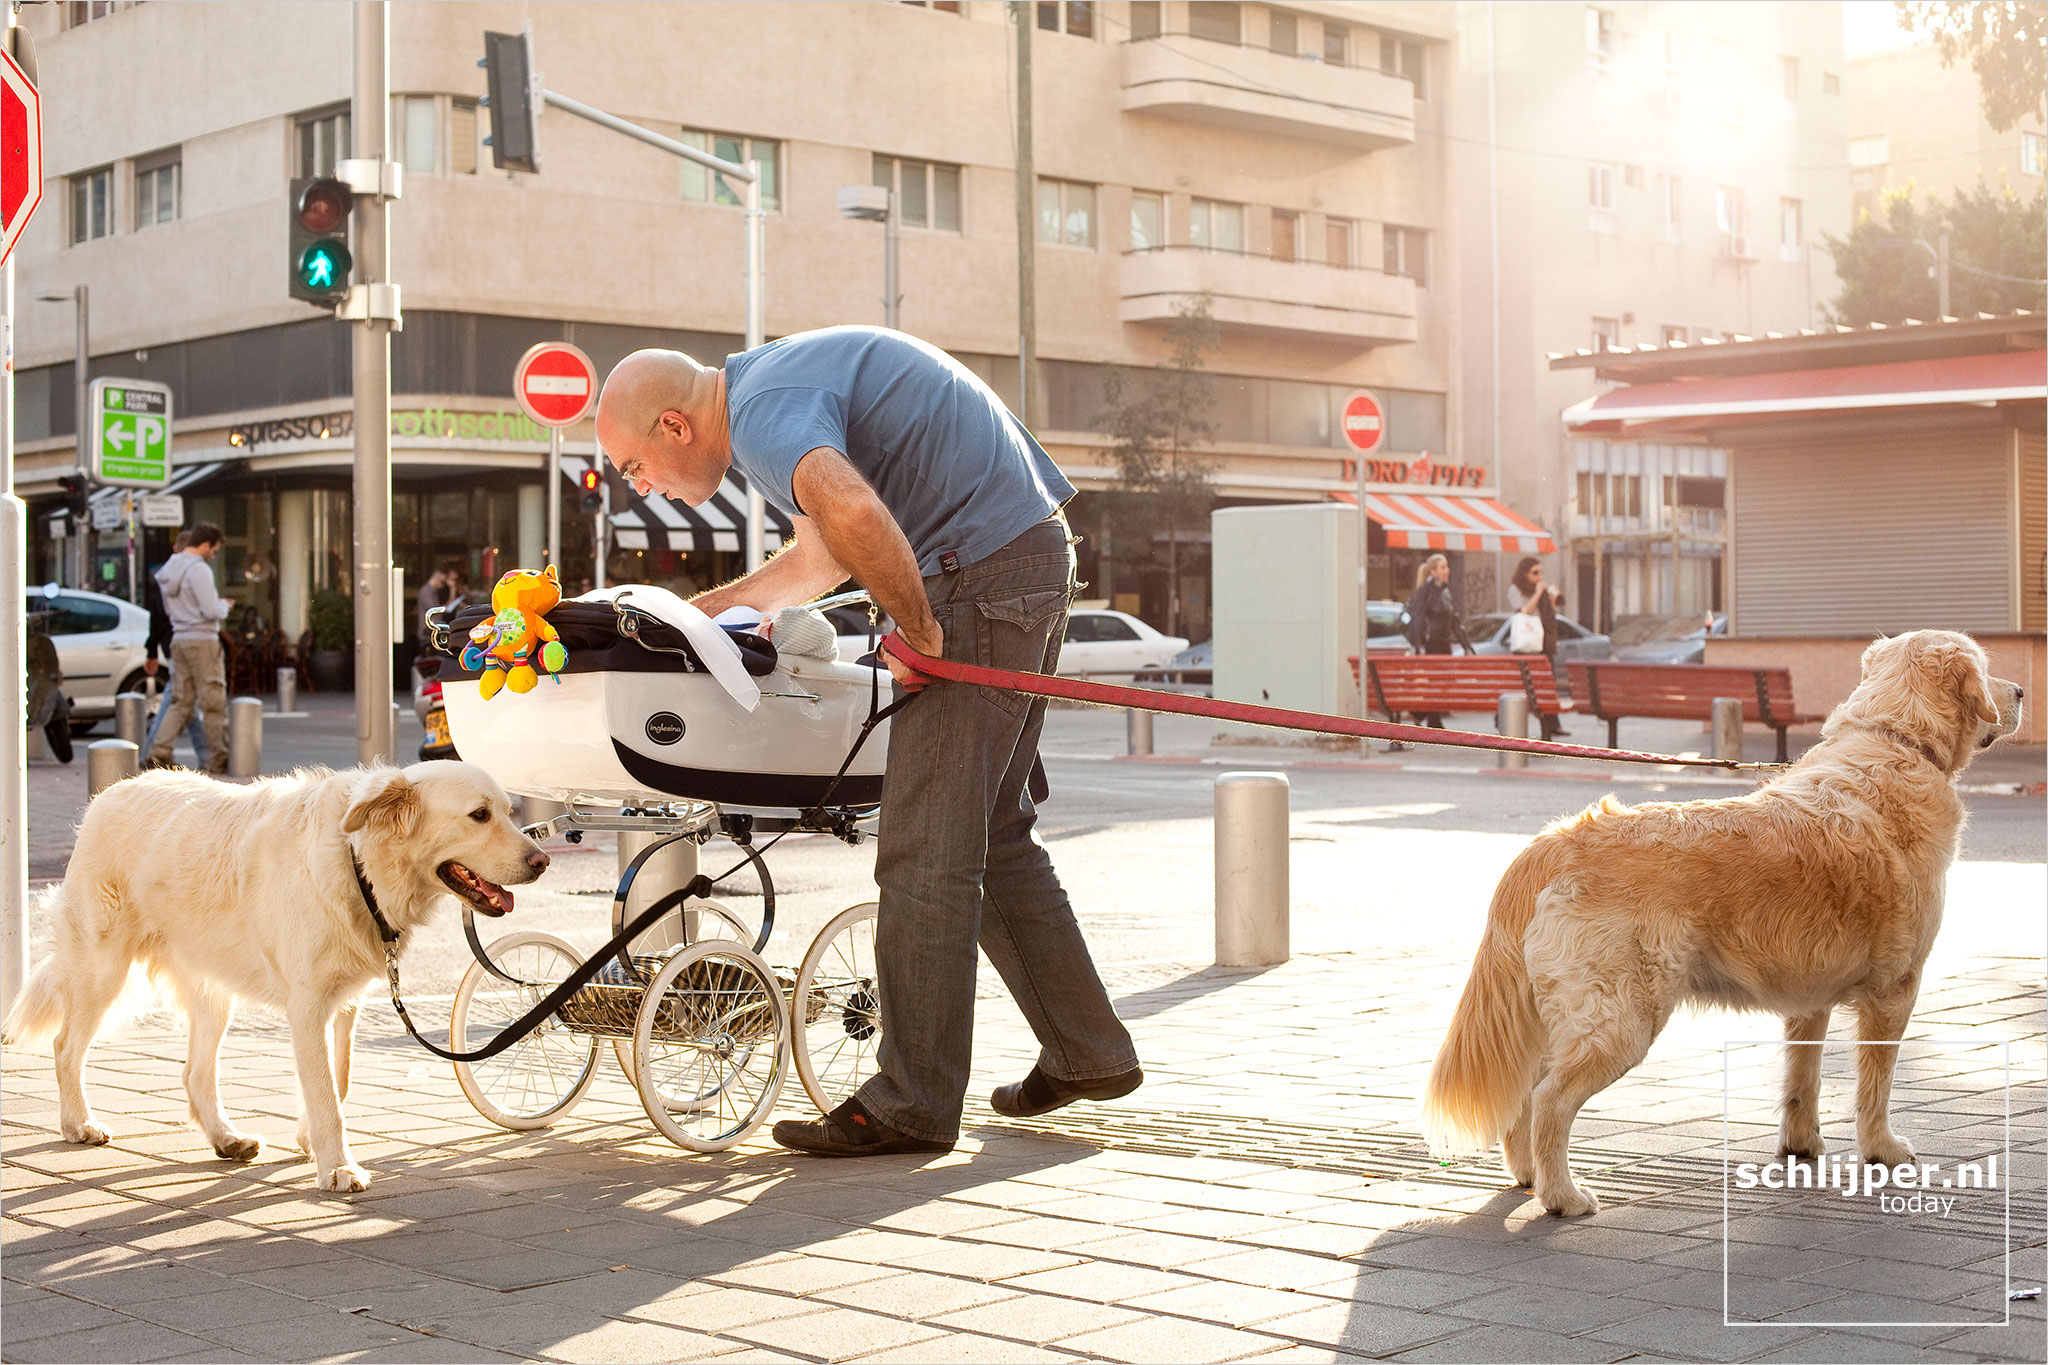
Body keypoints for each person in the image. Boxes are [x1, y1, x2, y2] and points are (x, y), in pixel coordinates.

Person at [594, 327, 1141, 1157]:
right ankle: (1087, 1050)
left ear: (674, 426)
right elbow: (827, 551)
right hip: (1018, 552)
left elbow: (852, 509)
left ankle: (912, 1102)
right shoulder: (768, 388)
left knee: (924, 846)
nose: (644, 488)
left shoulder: (766, 412)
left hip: (980, 575)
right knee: (990, 831)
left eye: (636, 469)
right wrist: (706, 610)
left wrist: (919, 626)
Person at [146, 523, 231, 774]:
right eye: (214, 550)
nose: (213, 555)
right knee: (213, 700)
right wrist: (224, 606)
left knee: (180, 702)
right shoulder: (199, 570)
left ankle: (158, 752)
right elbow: (210, 610)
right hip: (202, 640)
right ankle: (218, 757)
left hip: (179, 638)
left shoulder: (170, 567)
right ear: (205, 544)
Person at [140, 532, 209, 768]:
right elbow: (159, 617)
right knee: (178, 701)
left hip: (174, 644)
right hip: (185, 644)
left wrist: (151, 650)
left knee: (185, 703)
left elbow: (156, 617)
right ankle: (153, 752)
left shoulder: (164, 575)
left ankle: (206, 755)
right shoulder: (181, 574)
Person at [1398, 553, 1474, 734]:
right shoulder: (1425, 591)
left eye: (1447, 566)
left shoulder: (1445, 591)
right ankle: (1431, 718)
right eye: (1442, 567)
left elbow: (1454, 621)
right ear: (1433, 571)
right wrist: (1418, 646)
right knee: (1434, 683)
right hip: (1431, 644)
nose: (1447, 570)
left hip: (1444, 644)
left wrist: (1466, 646)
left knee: (1444, 683)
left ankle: (1423, 714)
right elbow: (1417, 618)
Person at [1510, 555, 1570, 741]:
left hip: (1543, 644)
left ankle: (1553, 724)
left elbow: (1548, 617)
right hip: (1527, 647)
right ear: (1524, 573)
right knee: (1524, 686)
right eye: (1535, 573)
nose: (1539, 576)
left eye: (1541, 572)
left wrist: (1550, 599)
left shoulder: (1541, 590)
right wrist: (1538, 593)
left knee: (1547, 685)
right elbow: (1525, 611)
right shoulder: (1515, 590)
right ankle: (1502, 719)